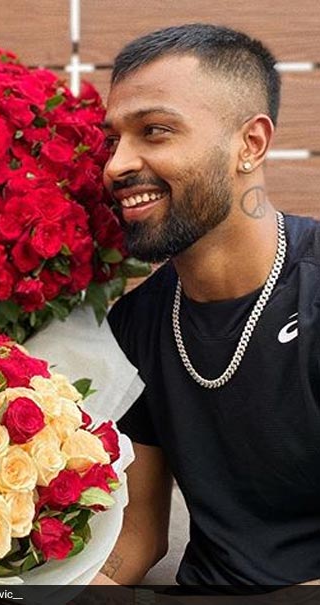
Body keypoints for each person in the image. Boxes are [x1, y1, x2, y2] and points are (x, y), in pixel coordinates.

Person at [98, 24, 320, 586]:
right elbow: (138, 537)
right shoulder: (135, 323)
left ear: (250, 144)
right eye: (113, 140)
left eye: (154, 131)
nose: (116, 165)